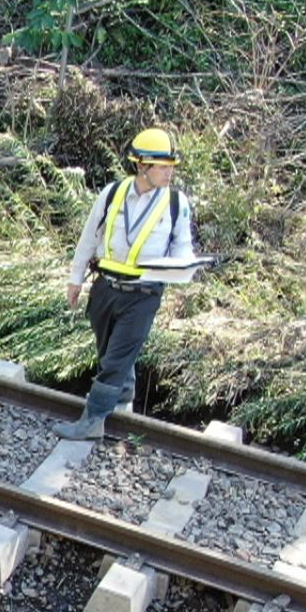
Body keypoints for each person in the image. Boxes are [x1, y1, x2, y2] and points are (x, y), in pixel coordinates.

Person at [54, 127, 196, 440]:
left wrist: (182, 268)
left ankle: (91, 422)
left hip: (143, 295)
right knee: (111, 355)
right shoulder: (113, 193)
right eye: (163, 166)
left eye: (171, 166)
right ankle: (122, 410)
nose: (169, 172)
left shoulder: (176, 203)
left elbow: (183, 249)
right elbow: (89, 237)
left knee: (116, 359)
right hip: (106, 288)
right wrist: (75, 279)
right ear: (142, 166)